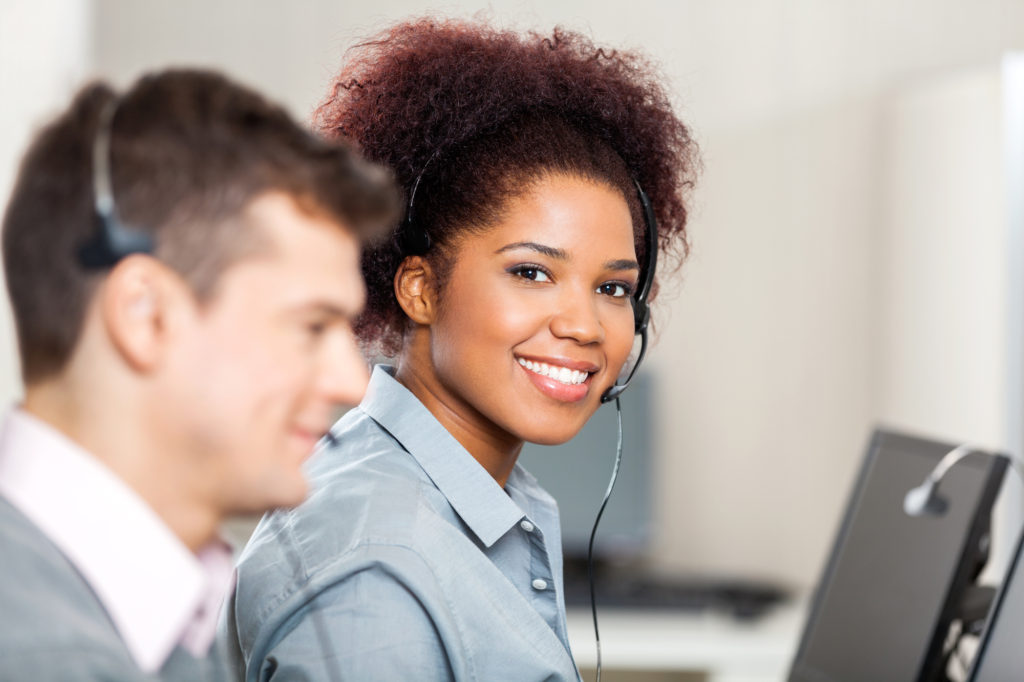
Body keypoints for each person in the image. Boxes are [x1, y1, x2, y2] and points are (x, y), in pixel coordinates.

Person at [224, 18, 698, 682]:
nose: (585, 325)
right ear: (420, 289)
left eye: (614, 288)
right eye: (531, 273)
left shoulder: (452, 498)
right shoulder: (377, 575)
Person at [0, 69, 398, 681]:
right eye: (312, 327)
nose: (350, 383)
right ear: (145, 315)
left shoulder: (148, 614)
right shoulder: (44, 655)